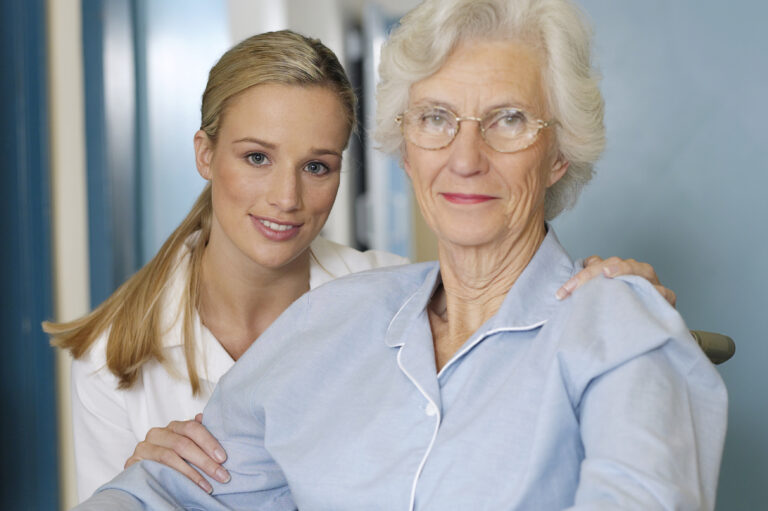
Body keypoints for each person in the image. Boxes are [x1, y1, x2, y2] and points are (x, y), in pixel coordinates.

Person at [59, 21, 683, 508]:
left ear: (559, 156)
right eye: (436, 119)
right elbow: (164, 495)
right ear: (408, 152)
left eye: (509, 120)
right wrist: (145, 479)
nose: (285, 198)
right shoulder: (332, 320)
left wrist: (628, 318)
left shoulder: (610, 328)